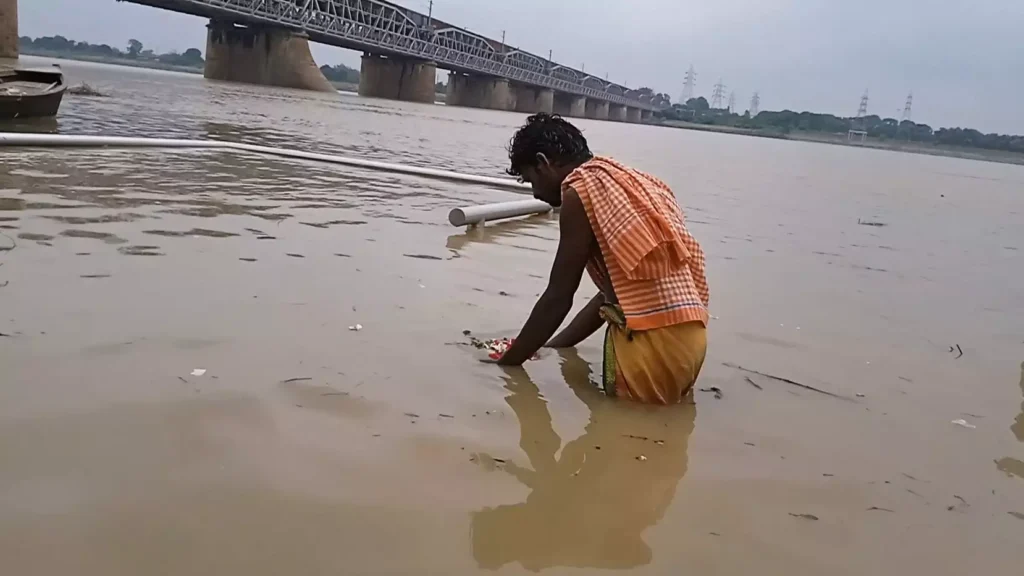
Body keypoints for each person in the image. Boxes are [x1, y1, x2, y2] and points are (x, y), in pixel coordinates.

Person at [488, 113, 710, 405]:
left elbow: (558, 298)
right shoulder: (631, 182)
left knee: (627, 440)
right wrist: (553, 347)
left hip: (650, 345)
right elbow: (613, 295)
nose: (535, 193)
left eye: (531, 180)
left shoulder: (578, 192)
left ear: (543, 163)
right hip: (690, 338)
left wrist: (508, 364)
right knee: (654, 439)